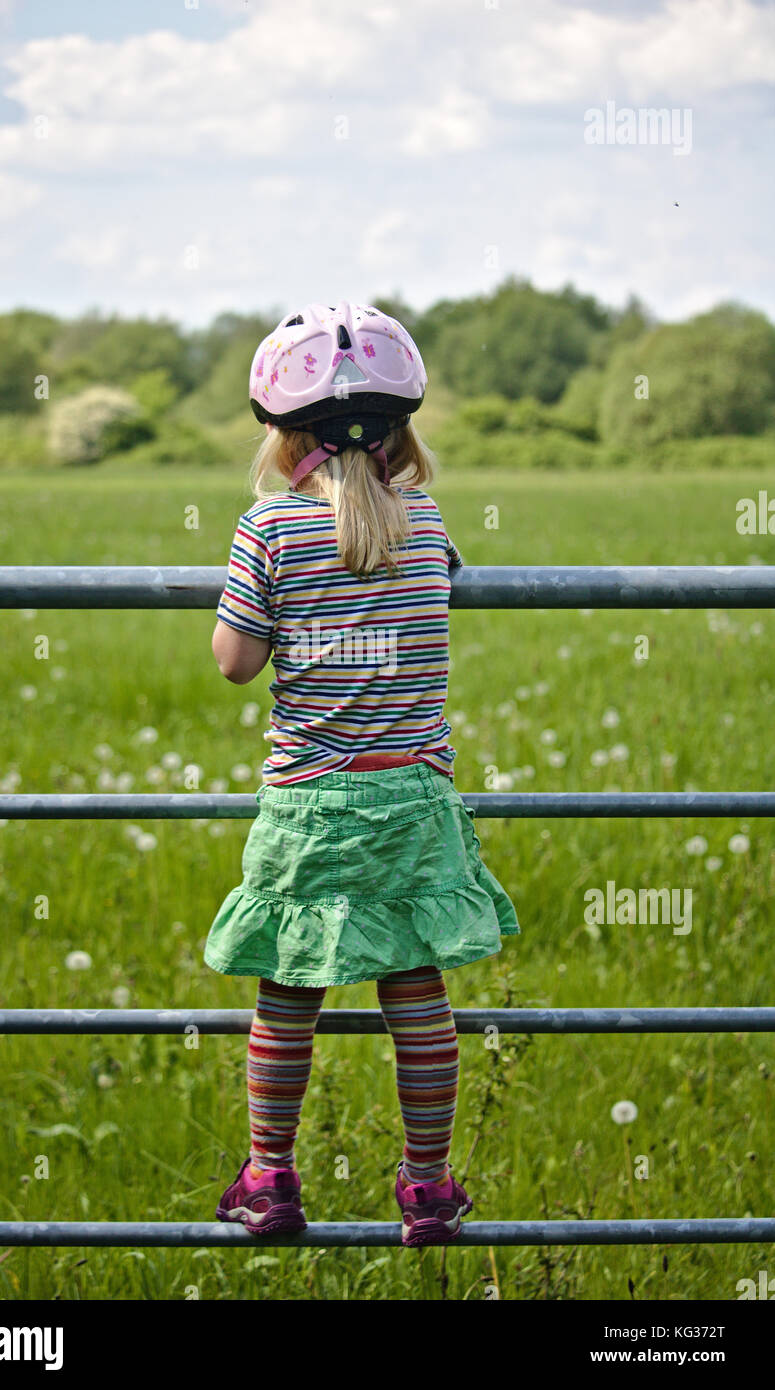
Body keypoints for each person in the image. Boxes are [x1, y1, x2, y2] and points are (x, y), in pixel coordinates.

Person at [205, 301, 520, 1246]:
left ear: (282, 433)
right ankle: (426, 1186)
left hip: (310, 801)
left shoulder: (269, 529)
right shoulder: (427, 525)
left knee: (286, 991)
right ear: (400, 431)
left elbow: (233, 661)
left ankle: (269, 1177)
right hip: (414, 795)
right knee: (417, 991)